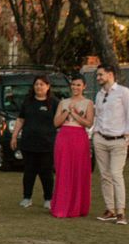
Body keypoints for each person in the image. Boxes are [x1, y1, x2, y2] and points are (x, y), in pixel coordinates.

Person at [11, 75, 59, 209]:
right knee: (29, 172)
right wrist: (14, 136)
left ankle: (48, 199)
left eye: (42, 84)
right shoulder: (28, 101)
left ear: (48, 86)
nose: (39, 87)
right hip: (29, 143)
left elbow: (61, 120)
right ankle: (27, 197)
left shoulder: (54, 102)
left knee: (46, 173)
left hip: (47, 144)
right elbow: (20, 120)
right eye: (37, 84)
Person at [51, 74, 94, 217]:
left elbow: (89, 123)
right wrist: (67, 111)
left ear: (84, 87)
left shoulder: (88, 103)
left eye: (78, 85)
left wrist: (75, 114)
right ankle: (62, 206)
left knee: (78, 170)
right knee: (63, 170)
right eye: (73, 84)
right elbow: (56, 123)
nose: (75, 87)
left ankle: (78, 206)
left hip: (79, 138)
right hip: (64, 137)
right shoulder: (63, 102)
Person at [93, 64, 129, 225]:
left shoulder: (123, 92)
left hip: (118, 140)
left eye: (100, 74)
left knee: (116, 174)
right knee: (105, 176)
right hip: (100, 139)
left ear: (110, 74)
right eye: (97, 75)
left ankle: (121, 212)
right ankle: (110, 210)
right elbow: (98, 117)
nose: (98, 77)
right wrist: (94, 133)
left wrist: (127, 136)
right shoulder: (99, 94)